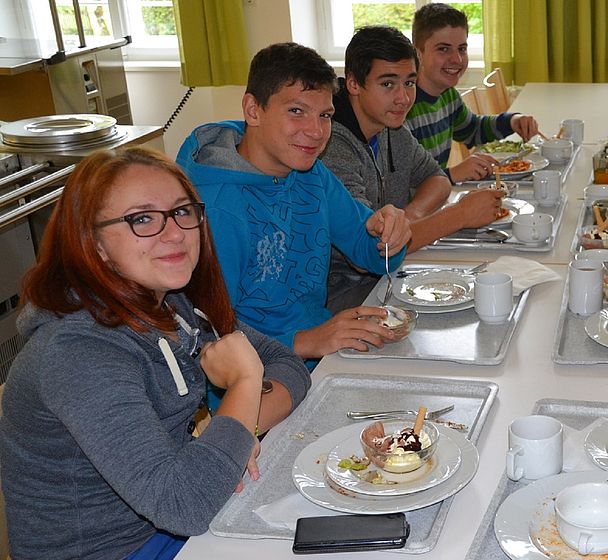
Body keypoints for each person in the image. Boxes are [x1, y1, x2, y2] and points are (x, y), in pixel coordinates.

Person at [0, 148, 311, 560]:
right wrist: (245, 384)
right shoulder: (76, 353)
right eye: (141, 219)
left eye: (182, 211)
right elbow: (185, 505)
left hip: (173, 526)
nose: (174, 233)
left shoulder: (174, 305)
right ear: (94, 244)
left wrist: (233, 434)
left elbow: (290, 366)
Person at [176, 42, 412, 365]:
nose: (316, 132)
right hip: (260, 381)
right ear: (252, 110)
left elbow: (369, 251)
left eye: (325, 115)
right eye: (296, 111)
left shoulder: (311, 172)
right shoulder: (216, 207)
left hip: (325, 357)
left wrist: (389, 232)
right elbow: (209, 335)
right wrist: (303, 341)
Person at [321, 26, 506, 312]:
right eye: (387, 84)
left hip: (389, 276)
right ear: (354, 84)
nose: (404, 98)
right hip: (343, 294)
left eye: (409, 83)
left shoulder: (390, 126)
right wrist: (459, 215)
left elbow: (436, 178)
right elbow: (369, 254)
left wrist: (410, 219)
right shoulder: (330, 144)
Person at [405, 3, 539, 183]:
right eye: (443, 49)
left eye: (462, 49)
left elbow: (472, 129)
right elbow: (405, 186)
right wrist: (453, 174)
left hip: (438, 199)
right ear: (418, 52)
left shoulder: (448, 95)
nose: (457, 59)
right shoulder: (403, 107)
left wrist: (512, 121)